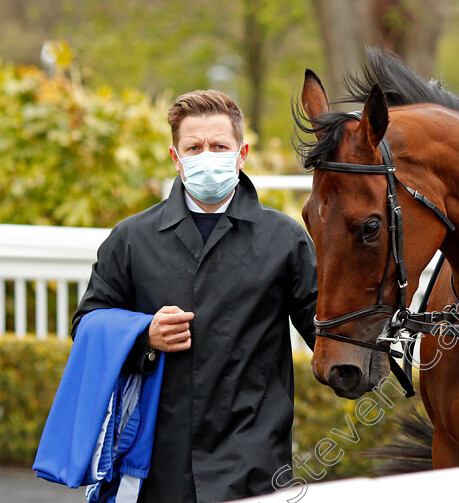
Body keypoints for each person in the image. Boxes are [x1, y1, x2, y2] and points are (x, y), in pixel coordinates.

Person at [72, 89, 318, 502]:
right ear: (176, 157)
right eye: (195, 147)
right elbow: (86, 324)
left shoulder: (286, 239)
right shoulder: (131, 238)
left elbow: (326, 332)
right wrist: (144, 335)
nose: (207, 155)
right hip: (155, 464)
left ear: (241, 154)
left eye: (219, 146)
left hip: (255, 461)